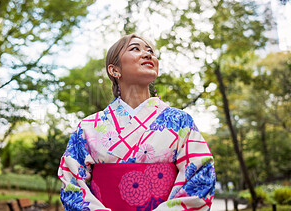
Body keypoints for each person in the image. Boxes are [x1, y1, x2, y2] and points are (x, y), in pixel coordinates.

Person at [57, 34, 215, 211]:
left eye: (150, 51)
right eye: (135, 49)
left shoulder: (180, 121)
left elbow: (200, 178)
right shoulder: (87, 127)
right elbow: (72, 184)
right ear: (114, 70)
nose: (148, 55)